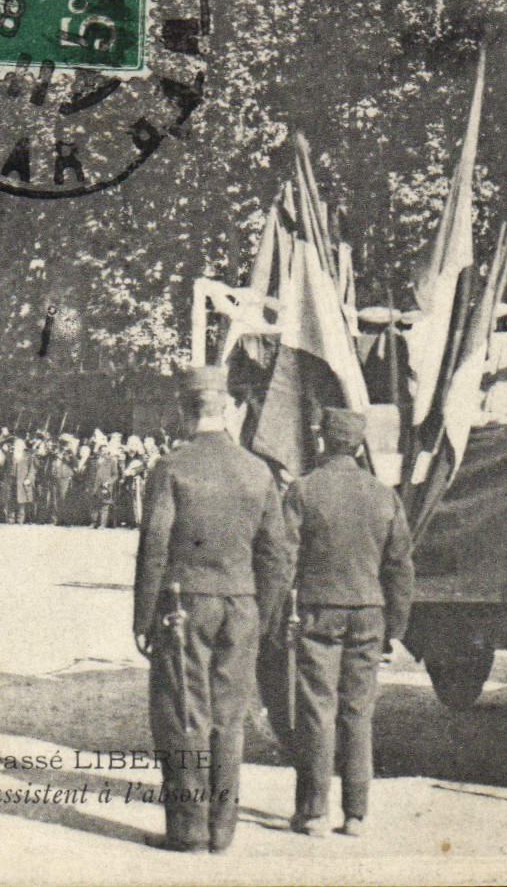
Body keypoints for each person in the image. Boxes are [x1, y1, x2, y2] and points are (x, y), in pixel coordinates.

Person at [135, 365, 289, 854]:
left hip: (184, 606)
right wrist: (263, 615)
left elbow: (155, 546)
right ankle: (222, 830)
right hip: (241, 607)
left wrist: (143, 618)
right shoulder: (258, 470)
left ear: (184, 409)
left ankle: (189, 831)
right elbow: (277, 555)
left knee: (184, 715)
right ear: (227, 409)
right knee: (229, 718)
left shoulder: (172, 467)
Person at [283, 407, 414, 839]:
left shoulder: (303, 490)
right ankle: (356, 814)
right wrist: (394, 629)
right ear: (358, 447)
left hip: (320, 611)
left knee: (317, 710)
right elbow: (400, 567)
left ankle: (314, 813)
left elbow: (283, 560)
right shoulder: (384, 496)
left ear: (323, 440)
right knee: (358, 713)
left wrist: (279, 613)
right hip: (369, 614)